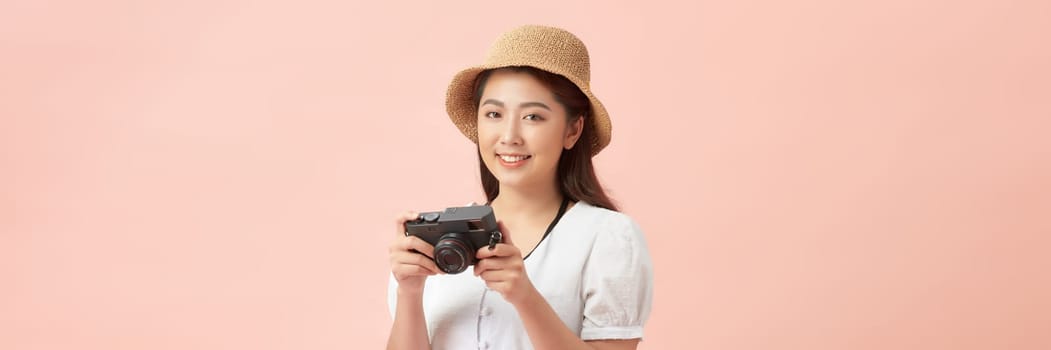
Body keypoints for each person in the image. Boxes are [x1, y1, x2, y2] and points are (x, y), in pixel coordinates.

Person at [386, 25, 653, 350]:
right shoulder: (442, 243)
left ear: (573, 130)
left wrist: (525, 296)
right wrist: (409, 292)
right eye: (494, 113)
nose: (509, 136)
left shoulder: (608, 238)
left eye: (533, 117)